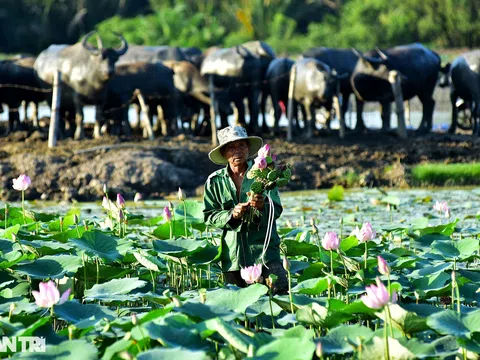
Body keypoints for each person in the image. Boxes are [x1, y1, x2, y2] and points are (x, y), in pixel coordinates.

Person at [203, 126, 288, 294]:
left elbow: (276, 210)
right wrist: (231, 214)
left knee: (279, 304)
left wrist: (263, 205)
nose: (237, 151)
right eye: (231, 147)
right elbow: (209, 216)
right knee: (239, 312)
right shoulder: (214, 182)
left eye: (241, 146)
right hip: (233, 260)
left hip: (265, 255)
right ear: (224, 153)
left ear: (248, 149)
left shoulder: (264, 175)